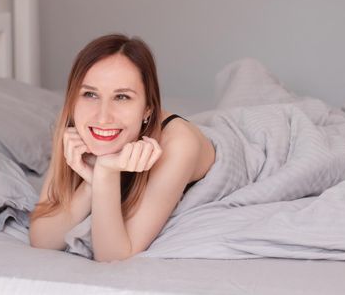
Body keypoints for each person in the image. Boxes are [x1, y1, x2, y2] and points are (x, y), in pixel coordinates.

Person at [29, 34, 216, 262]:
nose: (103, 116)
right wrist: (90, 185)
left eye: (122, 97)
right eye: (90, 94)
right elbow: (42, 239)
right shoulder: (75, 125)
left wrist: (105, 172)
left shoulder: (178, 146)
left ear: (148, 108)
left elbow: (114, 256)